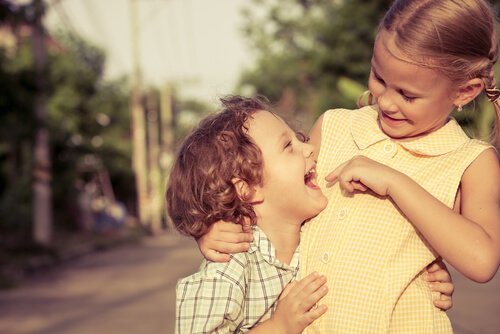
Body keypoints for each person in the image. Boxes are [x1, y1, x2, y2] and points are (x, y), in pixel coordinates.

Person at [197, 0, 500, 332]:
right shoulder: (335, 127)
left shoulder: (471, 160)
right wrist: (220, 232)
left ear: (464, 91)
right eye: (379, 78)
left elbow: (482, 261)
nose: (386, 101)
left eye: (408, 95)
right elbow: (274, 201)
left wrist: (395, 183)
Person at [167, 96, 330, 334]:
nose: (310, 148)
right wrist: (278, 327)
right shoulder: (229, 268)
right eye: (288, 146)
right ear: (248, 188)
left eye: (300, 139)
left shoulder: (317, 234)